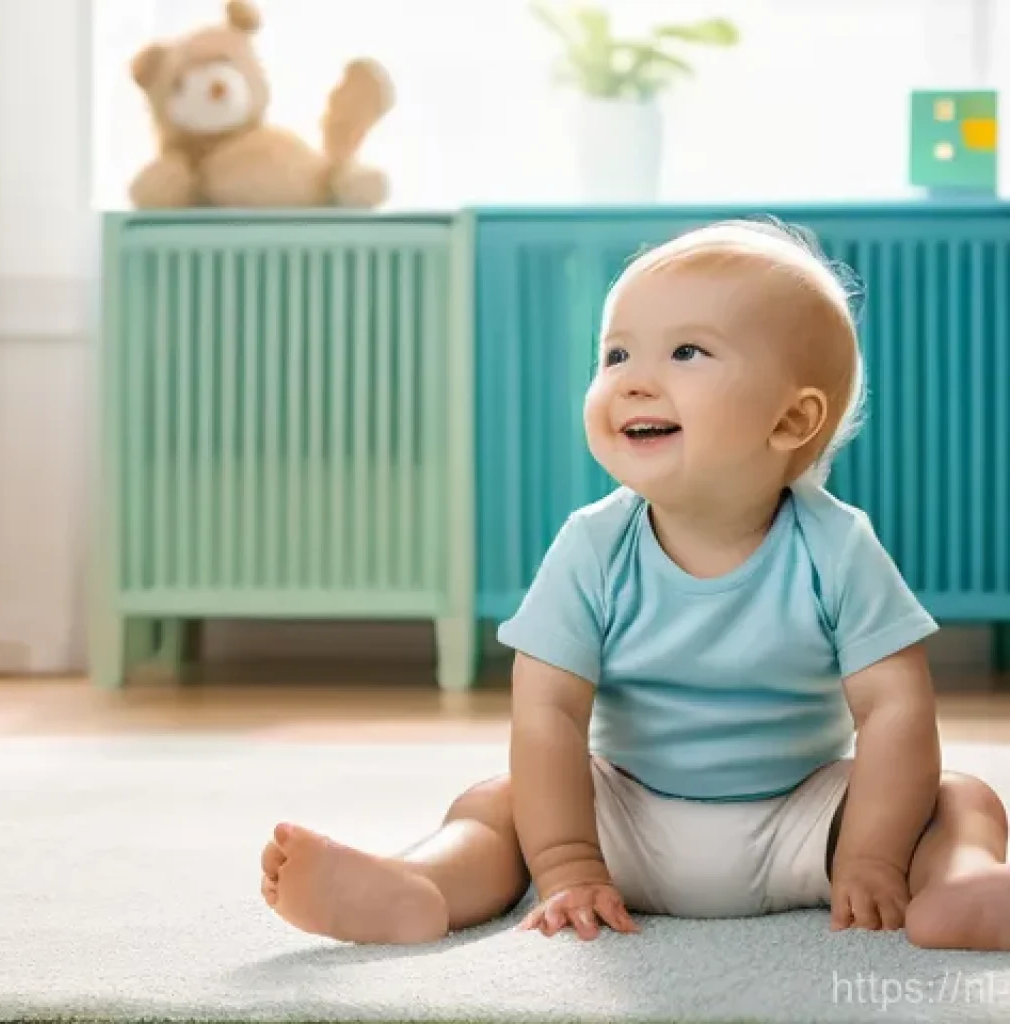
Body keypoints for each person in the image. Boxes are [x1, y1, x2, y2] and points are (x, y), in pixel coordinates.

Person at [260, 219, 1010, 951]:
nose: (632, 382)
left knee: (957, 797)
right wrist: (567, 862)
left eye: (686, 351)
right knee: (501, 801)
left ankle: (962, 885)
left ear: (790, 419)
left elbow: (895, 709)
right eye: (615, 353)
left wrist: (872, 857)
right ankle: (420, 884)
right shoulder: (593, 545)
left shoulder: (838, 544)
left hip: (808, 825)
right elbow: (548, 710)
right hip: (621, 825)